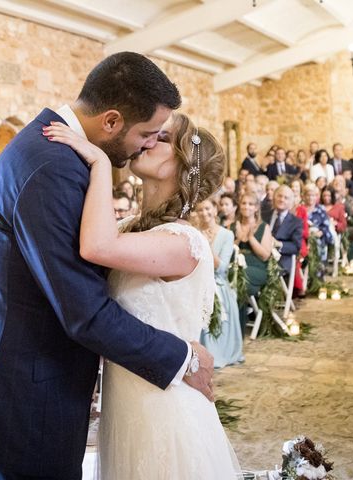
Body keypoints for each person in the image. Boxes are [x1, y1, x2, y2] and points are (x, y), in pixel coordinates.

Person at [0, 53, 215, 480]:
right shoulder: (51, 165)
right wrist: (181, 357)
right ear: (111, 121)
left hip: (50, 390)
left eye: (159, 139)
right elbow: (83, 310)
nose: (146, 144)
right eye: (147, 133)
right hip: (29, 401)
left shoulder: (54, 153)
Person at [45, 112, 241, 478]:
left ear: (184, 166)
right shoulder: (128, 228)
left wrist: (102, 164)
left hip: (163, 408)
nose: (147, 141)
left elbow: (95, 246)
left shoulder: (184, 242)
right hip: (125, 404)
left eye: (161, 139)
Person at [196, 199, 244, 369]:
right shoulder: (194, 232)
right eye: (200, 209)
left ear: (215, 210)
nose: (204, 213)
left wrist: (206, 244)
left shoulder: (226, 235)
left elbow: (222, 268)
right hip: (197, 281)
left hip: (218, 282)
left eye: (207, 208)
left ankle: (218, 352)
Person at [232, 191, 273, 333]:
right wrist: (237, 239)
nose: (246, 207)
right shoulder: (232, 225)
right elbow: (226, 253)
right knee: (233, 279)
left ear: (256, 208)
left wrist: (250, 238)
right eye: (244, 203)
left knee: (239, 280)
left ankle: (237, 328)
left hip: (257, 268)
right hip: (235, 267)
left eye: (250, 204)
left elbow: (265, 256)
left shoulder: (263, 227)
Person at [265, 185, 303, 276]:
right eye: (279, 196)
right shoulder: (264, 215)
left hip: (282, 258)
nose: (282, 199)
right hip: (261, 254)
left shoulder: (296, 222)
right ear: (274, 197)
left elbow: (296, 247)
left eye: (286, 198)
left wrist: (279, 244)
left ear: (291, 202)